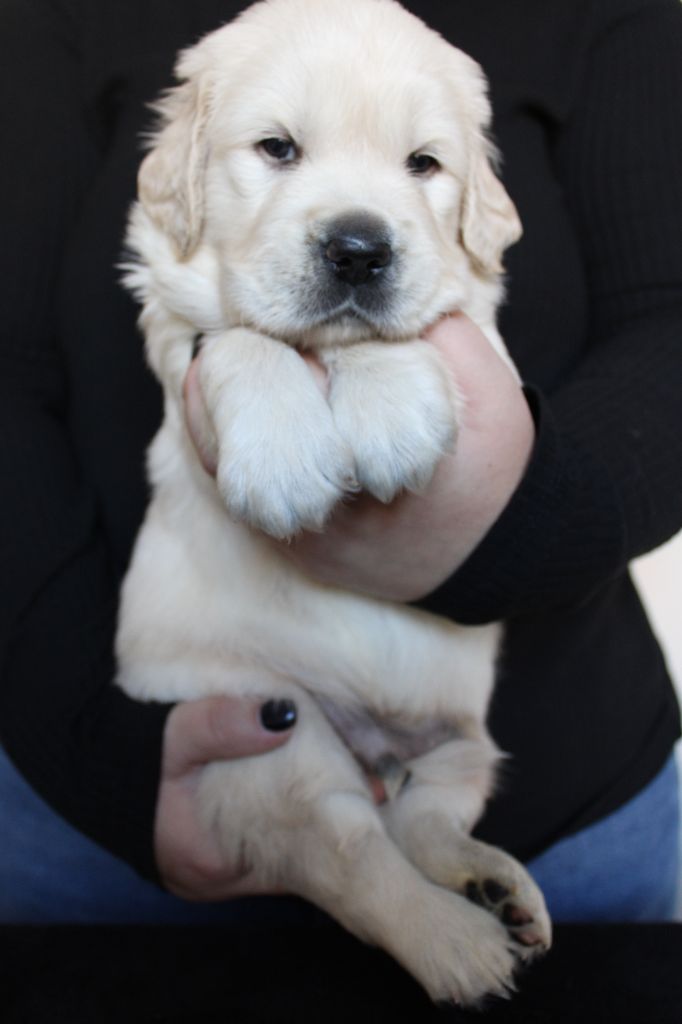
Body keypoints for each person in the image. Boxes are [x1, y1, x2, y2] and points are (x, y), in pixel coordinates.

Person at [1, 0, 681, 924]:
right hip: (109, 790)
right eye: (278, 148)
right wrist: (94, 752)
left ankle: (439, 819)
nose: (359, 234)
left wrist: (517, 526)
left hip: (576, 807)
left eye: (422, 163)